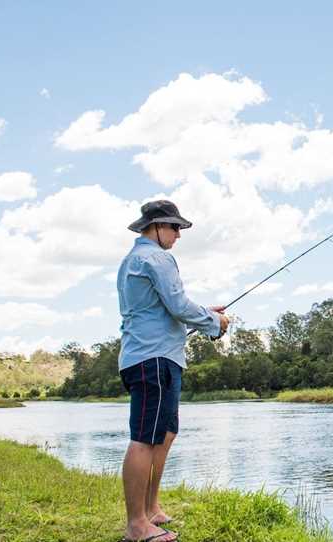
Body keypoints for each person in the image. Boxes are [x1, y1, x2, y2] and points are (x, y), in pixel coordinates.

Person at [117, 200, 229, 542]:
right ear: (154, 227)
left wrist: (204, 312)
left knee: (164, 435)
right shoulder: (155, 257)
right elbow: (178, 305)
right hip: (153, 359)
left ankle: (150, 509)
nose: (178, 235)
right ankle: (137, 525)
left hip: (159, 357)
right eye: (174, 227)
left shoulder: (136, 260)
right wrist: (215, 322)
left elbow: (165, 306)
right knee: (145, 438)